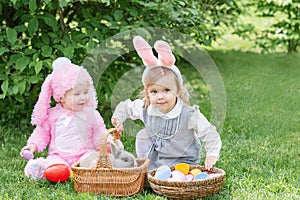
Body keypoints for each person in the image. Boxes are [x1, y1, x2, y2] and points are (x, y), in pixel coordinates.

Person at [111, 36, 222, 170]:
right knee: (142, 135)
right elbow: (126, 107)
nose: (160, 96)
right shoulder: (146, 107)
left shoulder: (188, 114)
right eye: (154, 92)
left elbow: (209, 133)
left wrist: (212, 153)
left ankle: (167, 172)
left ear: (177, 90)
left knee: (176, 177)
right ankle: (148, 166)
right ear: (147, 93)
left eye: (166, 90)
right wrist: (118, 117)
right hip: (159, 158)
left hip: (185, 160)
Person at [20, 57, 107, 181]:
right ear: (61, 97)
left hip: (84, 154)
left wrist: (104, 144)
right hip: (59, 156)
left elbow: (99, 132)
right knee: (55, 164)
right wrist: (32, 145)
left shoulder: (91, 114)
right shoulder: (53, 115)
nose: (83, 97)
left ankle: (87, 168)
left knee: (93, 158)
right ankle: (45, 169)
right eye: (77, 94)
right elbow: (42, 133)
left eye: (86, 92)